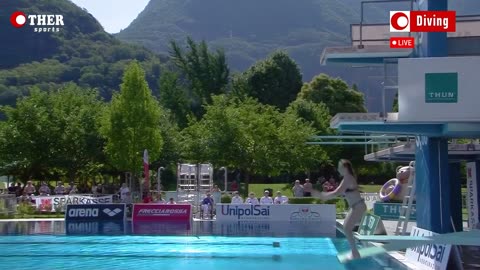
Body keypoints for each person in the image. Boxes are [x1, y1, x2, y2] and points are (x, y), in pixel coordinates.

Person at [317, 159, 366, 260]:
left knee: (347, 229)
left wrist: (325, 196)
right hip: (356, 206)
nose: (338, 169)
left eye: (339, 167)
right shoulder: (348, 178)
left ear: (345, 168)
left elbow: (337, 192)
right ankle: (355, 252)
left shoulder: (347, 178)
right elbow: (342, 192)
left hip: (358, 206)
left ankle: (355, 253)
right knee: (346, 228)